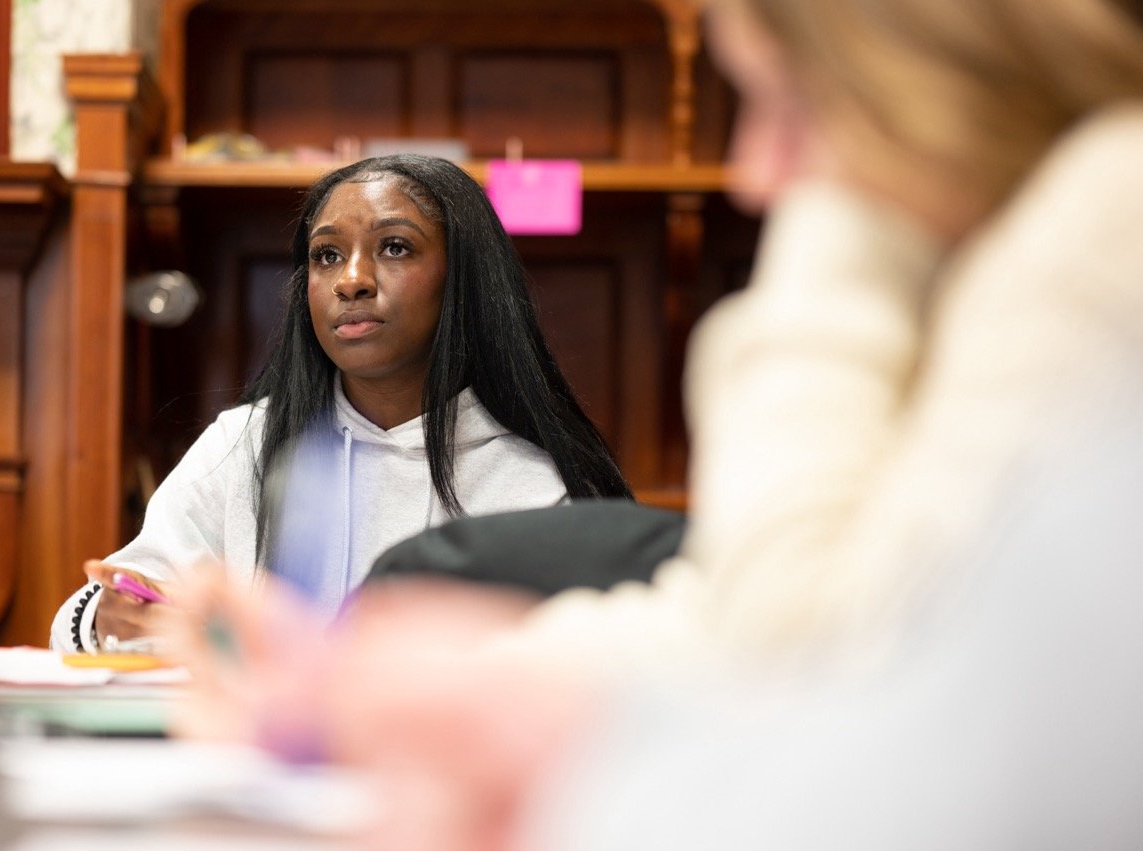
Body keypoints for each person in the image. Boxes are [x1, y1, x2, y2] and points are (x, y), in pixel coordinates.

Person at [166, 0, 1143, 845]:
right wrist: (368, 686)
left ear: (925, 83)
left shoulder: (1102, 220)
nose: (755, 174)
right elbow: (723, 622)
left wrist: (834, 232)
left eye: (786, 103)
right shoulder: (239, 440)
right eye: (325, 256)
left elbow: (807, 646)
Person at [51, 153, 631, 652]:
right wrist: (115, 616)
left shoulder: (536, 484)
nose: (350, 281)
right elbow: (89, 614)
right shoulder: (246, 443)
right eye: (326, 256)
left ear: (463, 280)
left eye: (395, 247)